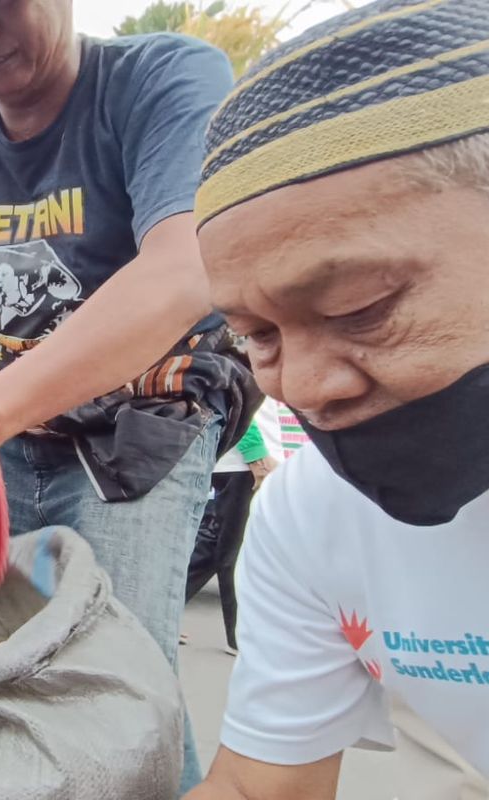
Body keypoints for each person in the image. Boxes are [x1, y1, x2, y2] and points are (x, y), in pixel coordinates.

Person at [0, 0, 257, 790]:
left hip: (145, 425)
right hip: (13, 436)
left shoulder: (161, 78)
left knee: (120, 680)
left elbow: (181, 269)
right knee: (2, 659)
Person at [183, 0, 489, 795]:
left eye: (361, 308)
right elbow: (255, 787)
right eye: (258, 337)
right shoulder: (312, 516)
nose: (302, 389)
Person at [184, 397, 282, 654]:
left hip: (240, 463)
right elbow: (239, 402)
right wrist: (256, 457)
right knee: (236, 552)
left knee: (212, 547)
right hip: (244, 464)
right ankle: (239, 638)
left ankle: (159, 612)